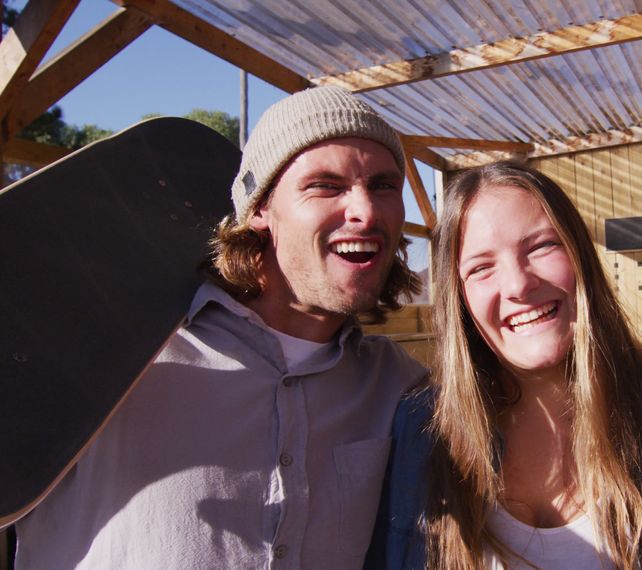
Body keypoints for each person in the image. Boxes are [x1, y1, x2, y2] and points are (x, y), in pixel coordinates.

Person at [13, 85, 427, 567]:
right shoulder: (119, 349)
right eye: (325, 186)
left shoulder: (401, 387)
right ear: (258, 210)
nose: (366, 210)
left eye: (383, 185)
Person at [367, 161, 642, 569]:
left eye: (541, 246)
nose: (517, 285)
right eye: (481, 268)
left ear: (580, 255)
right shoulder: (422, 431)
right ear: (459, 298)